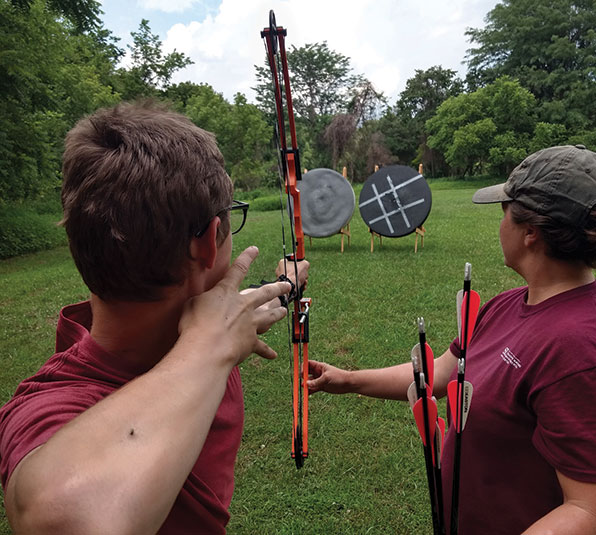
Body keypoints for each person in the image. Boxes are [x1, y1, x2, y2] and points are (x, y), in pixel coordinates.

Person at [0, 101, 309, 534]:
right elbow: (62, 518)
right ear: (207, 242)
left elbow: (230, 312)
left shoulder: (203, 319)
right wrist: (210, 348)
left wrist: (286, 284)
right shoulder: (47, 407)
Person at [308, 145, 596, 534]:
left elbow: (586, 508)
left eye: (504, 212)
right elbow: (441, 373)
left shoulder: (576, 345)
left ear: (531, 232)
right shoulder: (506, 304)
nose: (500, 224)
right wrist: (347, 380)